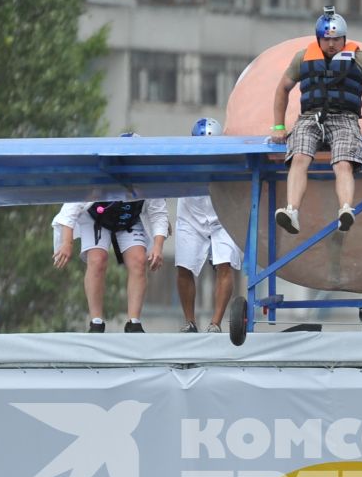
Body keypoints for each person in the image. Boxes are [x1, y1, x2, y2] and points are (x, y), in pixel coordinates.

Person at [267, 8, 362, 235]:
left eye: (337, 39)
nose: (332, 44)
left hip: (345, 118)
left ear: (344, 38)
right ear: (318, 39)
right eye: (327, 39)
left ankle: (345, 210)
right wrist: (279, 126)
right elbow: (283, 88)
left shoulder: (361, 59)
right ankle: (292, 211)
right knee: (299, 157)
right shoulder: (302, 58)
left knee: (342, 162)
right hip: (310, 118)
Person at [50, 188, 169, 335]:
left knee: (139, 260)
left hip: (129, 220)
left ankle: (134, 323)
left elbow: (159, 213)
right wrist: (67, 243)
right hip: (96, 218)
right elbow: (71, 208)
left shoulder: (145, 175)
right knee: (98, 259)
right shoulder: (98, 175)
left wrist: (158, 246)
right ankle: (96, 322)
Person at [173, 117, 242, 333]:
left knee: (225, 264)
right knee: (184, 266)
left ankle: (215, 323)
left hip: (223, 215)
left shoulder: (231, 160)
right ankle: (190, 322)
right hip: (191, 215)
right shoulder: (182, 159)